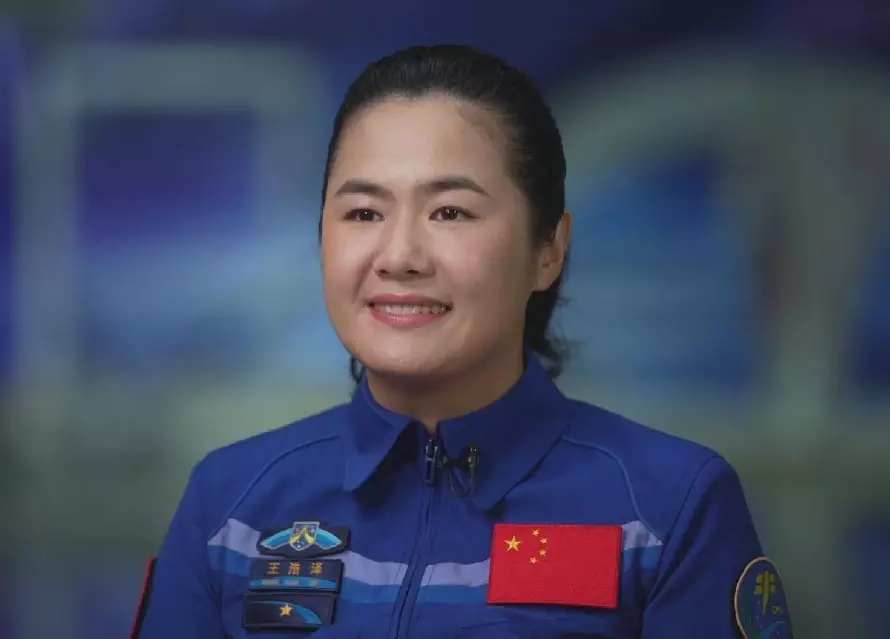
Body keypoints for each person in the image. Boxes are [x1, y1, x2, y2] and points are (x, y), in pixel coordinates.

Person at [132, 44, 792, 638]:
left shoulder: (668, 508)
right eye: (364, 212)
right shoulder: (231, 504)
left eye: (450, 212)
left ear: (548, 249)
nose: (399, 255)